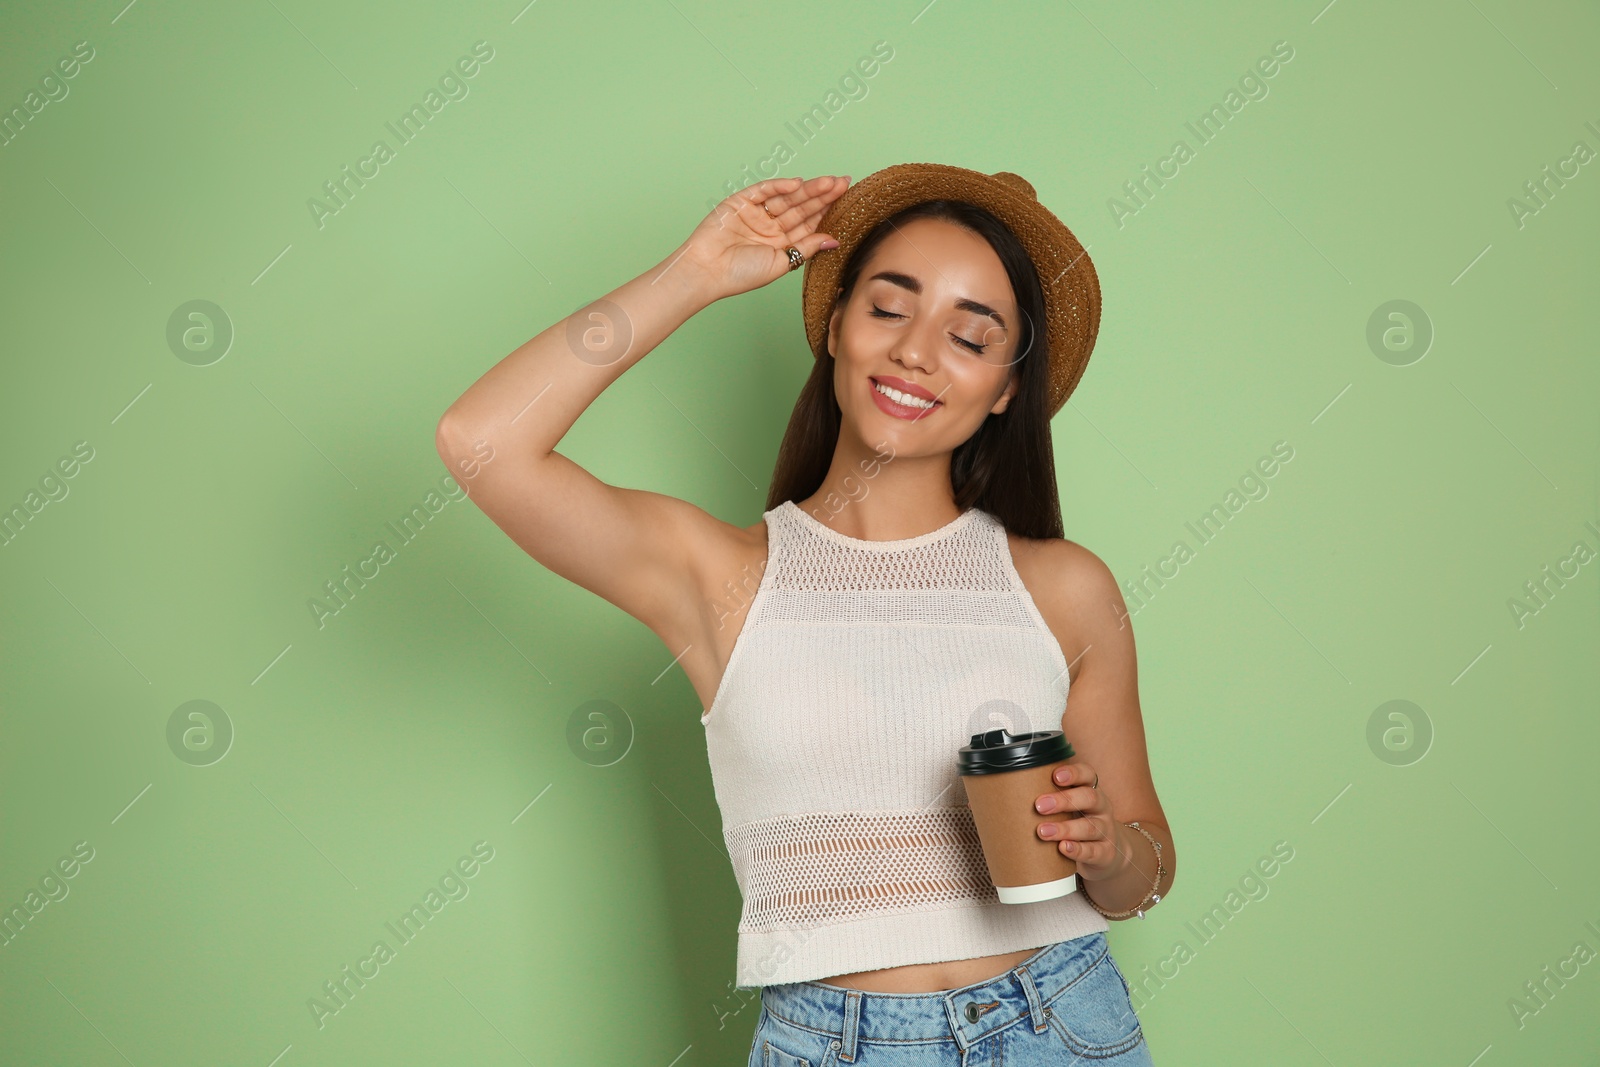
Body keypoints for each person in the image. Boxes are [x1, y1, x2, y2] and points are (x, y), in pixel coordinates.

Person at [436, 163, 1175, 1065]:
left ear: (1009, 389)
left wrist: (1106, 851)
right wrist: (697, 271)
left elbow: (1145, 869)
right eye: (888, 307)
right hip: (836, 1042)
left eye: (970, 337)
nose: (915, 351)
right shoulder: (720, 576)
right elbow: (481, 443)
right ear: (836, 327)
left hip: (1061, 1019)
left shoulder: (1064, 587)